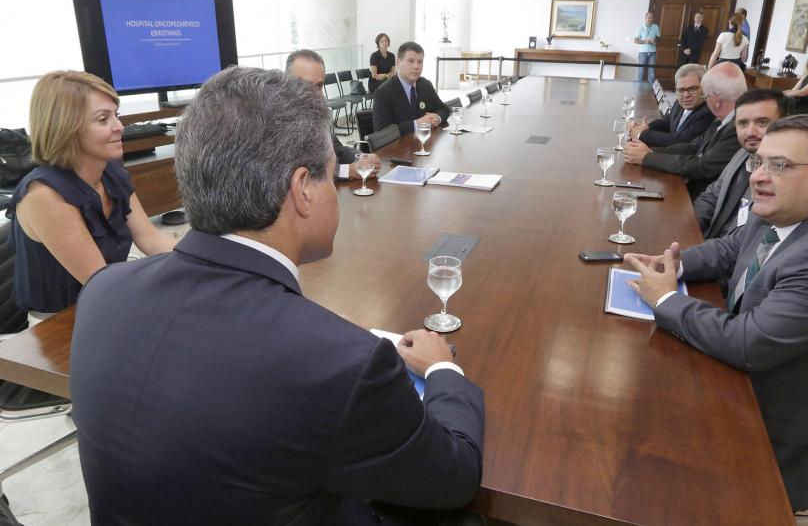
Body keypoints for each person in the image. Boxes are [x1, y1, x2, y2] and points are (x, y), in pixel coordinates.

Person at [69, 66, 485, 525]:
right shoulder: (343, 363)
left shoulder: (103, 291)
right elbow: (455, 475)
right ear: (302, 189)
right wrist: (444, 368)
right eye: (329, 176)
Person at [623, 113, 808, 512]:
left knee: (642, 464)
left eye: (781, 166)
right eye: (759, 161)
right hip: (770, 383)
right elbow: (730, 248)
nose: (758, 176)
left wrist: (666, 300)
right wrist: (671, 264)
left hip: (801, 433)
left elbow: (748, 343)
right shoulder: (792, 210)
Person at [4, 70, 175, 318]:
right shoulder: (44, 195)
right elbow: (100, 280)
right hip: (59, 321)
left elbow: (152, 241)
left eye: (116, 115)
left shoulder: (109, 172)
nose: (119, 127)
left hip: (106, 298)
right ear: (66, 128)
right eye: (103, 119)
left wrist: (206, 257)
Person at [623, 62, 746, 200]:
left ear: (716, 101)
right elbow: (693, 146)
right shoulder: (723, 120)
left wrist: (647, 157)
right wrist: (648, 153)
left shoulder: (737, 127)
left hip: (700, 198)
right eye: (681, 90)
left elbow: (702, 166)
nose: (686, 95)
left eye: (705, 97)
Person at [694, 88, 787, 240]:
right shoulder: (742, 153)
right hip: (706, 241)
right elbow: (712, 194)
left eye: (762, 122)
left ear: (783, 123)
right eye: (743, 124)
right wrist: (691, 223)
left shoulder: (785, 173)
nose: (750, 132)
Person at [286, 49, 381, 181]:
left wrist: (362, 158)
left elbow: (336, 149)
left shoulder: (314, 112)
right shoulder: (278, 122)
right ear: (287, 84)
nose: (315, 94)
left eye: (319, 86)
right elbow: (299, 170)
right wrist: (348, 171)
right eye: (306, 85)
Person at [372, 41, 450, 136]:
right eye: (411, 61)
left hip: (425, 144)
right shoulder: (383, 93)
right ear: (398, 62)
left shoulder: (425, 84)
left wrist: (437, 118)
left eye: (420, 62)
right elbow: (382, 132)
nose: (416, 66)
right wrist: (417, 124)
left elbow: (444, 109)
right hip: (399, 148)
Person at [628, 63, 715, 148]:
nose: (686, 95)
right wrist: (645, 127)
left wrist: (642, 134)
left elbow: (680, 140)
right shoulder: (679, 103)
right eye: (681, 90)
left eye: (692, 89)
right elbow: (667, 122)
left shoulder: (708, 112)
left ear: (704, 88)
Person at [635, 12, 661, 83]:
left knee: (652, 71)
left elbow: (659, 39)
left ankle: (650, 88)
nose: (650, 19)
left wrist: (654, 41)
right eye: (648, 17)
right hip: (642, 52)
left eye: (651, 17)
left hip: (653, 52)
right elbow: (636, 40)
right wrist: (645, 42)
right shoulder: (640, 27)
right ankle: (638, 86)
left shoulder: (656, 27)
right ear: (645, 18)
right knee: (641, 70)